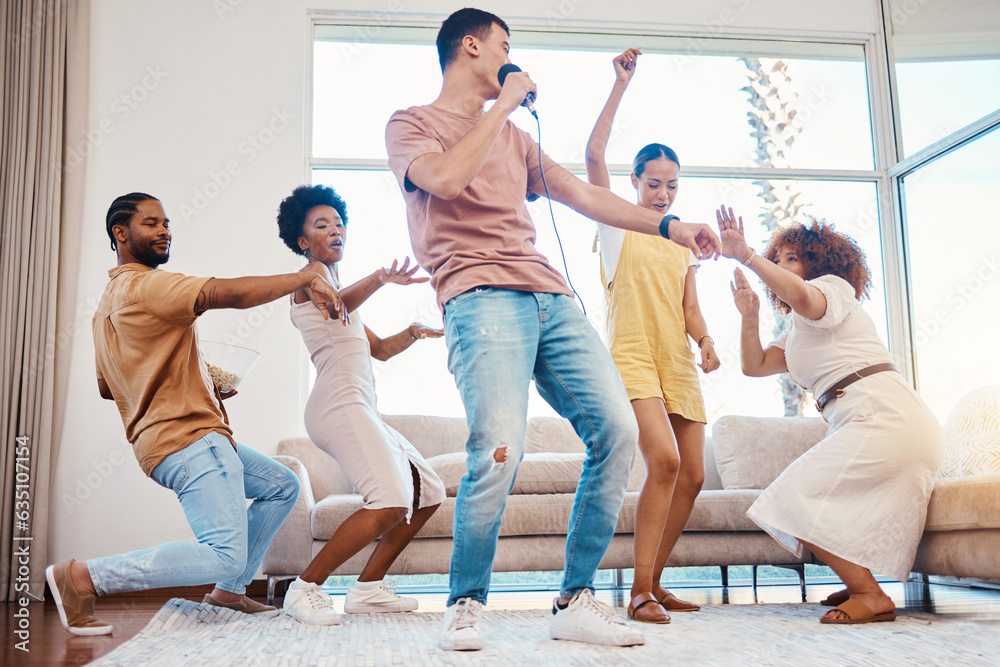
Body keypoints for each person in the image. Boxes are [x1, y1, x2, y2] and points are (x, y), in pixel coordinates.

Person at [385, 8, 721, 651]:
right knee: (500, 448)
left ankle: (576, 598)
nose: (513, 58)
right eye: (505, 46)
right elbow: (448, 180)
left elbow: (580, 192)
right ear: (471, 46)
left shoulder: (514, 140)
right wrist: (505, 103)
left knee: (618, 430)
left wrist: (671, 228)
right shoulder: (412, 125)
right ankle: (465, 605)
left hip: (550, 297)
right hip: (479, 296)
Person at [45, 192, 342, 636]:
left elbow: (109, 386)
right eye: (151, 223)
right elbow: (228, 293)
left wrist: (202, 382)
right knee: (224, 552)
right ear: (120, 233)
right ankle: (84, 577)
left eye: (166, 222)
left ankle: (227, 595)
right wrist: (305, 278)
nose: (164, 230)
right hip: (190, 438)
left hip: (168, 442)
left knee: (282, 485)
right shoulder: (147, 285)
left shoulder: (106, 306)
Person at [717, 206, 943, 624]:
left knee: (794, 497)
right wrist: (750, 318)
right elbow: (756, 365)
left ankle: (868, 594)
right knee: (823, 502)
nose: (782, 265)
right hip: (867, 417)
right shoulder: (800, 330)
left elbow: (802, 296)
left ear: (818, 262)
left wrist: (748, 255)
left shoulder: (833, 291)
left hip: (885, 415)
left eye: (792, 258)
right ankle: (859, 580)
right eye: (778, 257)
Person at [585, 49, 720, 625]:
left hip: (678, 360)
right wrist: (620, 85)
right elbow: (593, 155)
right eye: (653, 184)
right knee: (662, 461)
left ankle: (654, 583)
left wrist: (708, 340)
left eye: (671, 186)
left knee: (692, 474)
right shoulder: (616, 223)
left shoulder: (682, 240)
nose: (663, 195)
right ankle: (639, 593)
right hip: (633, 359)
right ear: (635, 181)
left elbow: (689, 304)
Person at [274, 184, 446, 626]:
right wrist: (381, 278)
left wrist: (411, 332)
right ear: (302, 240)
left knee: (428, 492)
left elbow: (381, 350)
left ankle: (368, 589)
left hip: (359, 404)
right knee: (389, 500)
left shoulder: (339, 290)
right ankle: (304, 588)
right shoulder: (309, 282)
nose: (335, 230)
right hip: (336, 404)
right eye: (321, 225)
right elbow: (335, 305)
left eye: (338, 222)